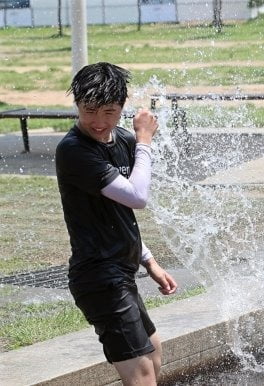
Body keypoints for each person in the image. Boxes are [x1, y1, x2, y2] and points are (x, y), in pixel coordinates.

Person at [56, 62, 177, 385]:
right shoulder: (74, 151)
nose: (98, 122)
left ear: (122, 107)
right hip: (99, 278)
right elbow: (138, 196)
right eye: (89, 110)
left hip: (122, 273)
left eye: (109, 112)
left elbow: (121, 212)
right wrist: (146, 142)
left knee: (153, 354)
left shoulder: (122, 140)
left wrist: (149, 261)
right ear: (77, 105)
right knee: (140, 374)